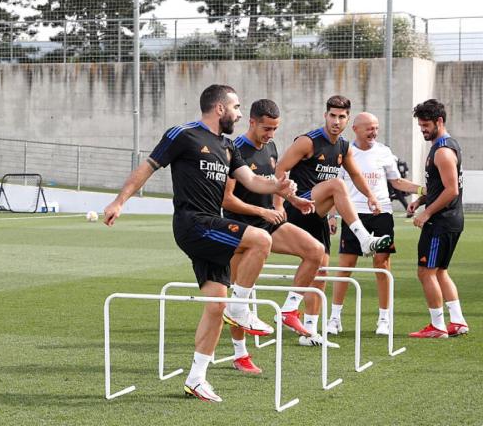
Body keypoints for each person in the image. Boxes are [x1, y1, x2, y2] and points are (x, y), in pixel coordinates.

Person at [104, 84, 298, 403]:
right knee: (260, 239)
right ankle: (241, 307)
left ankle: (196, 379)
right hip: (193, 223)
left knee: (215, 305)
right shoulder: (182, 134)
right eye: (236, 107)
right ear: (219, 108)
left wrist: (280, 187)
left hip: (213, 225)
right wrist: (119, 201)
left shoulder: (227, 146)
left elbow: (251, 181)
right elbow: (147, 168)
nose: (238, 113)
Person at [274, 95, 391, 348]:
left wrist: (370, 196)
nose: (336, 121)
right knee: (337, 184)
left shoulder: (344, 147)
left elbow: (357, 175)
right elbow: (279, 170)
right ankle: (364, 238)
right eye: (332, 116)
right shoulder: (308, 141)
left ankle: (309, 331)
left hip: (316, 213)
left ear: (348, 120)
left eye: (341, 117)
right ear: (325, 115)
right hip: (298, 207)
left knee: (321, 270)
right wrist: (283, 202)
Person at [221, 99, 322, 375]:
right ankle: (240, 355)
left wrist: (294, 200)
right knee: (240, 297)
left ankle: (289, 310)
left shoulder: (272, 147)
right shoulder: (234, 150)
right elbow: (227, 200)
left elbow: (275, 184)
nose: (271, 134)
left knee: (316, 251)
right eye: (267, 128)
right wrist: (262, 213)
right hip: (240, 229)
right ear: (251, 122)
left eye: (275, 129)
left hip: (269, 223)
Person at [326, 112, 422, 337]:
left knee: (382, 264)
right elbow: (335, 186)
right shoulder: (345, 151)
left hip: (381, 214)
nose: (374, 132)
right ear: (356, 129)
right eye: (369, 128)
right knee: (345, 266)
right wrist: (331, 215)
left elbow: (396, 181)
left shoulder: (384, 152)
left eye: (376, 128)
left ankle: (384, 318)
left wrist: (422, 190)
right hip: (353, 215)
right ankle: (334, 318)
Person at [406, 99, 469, 338]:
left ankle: (437, 326)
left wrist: (427, 212)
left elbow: (452, 189)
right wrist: (420, 201)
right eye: (420, 125)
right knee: (440, 271)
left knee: (426, 271)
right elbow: (439, 186)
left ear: (439, 121)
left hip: (442, 221)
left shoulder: (442, 150)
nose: (422, 129)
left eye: (425, 125)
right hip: (450, 219)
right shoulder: (444, 146)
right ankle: (458, 321)